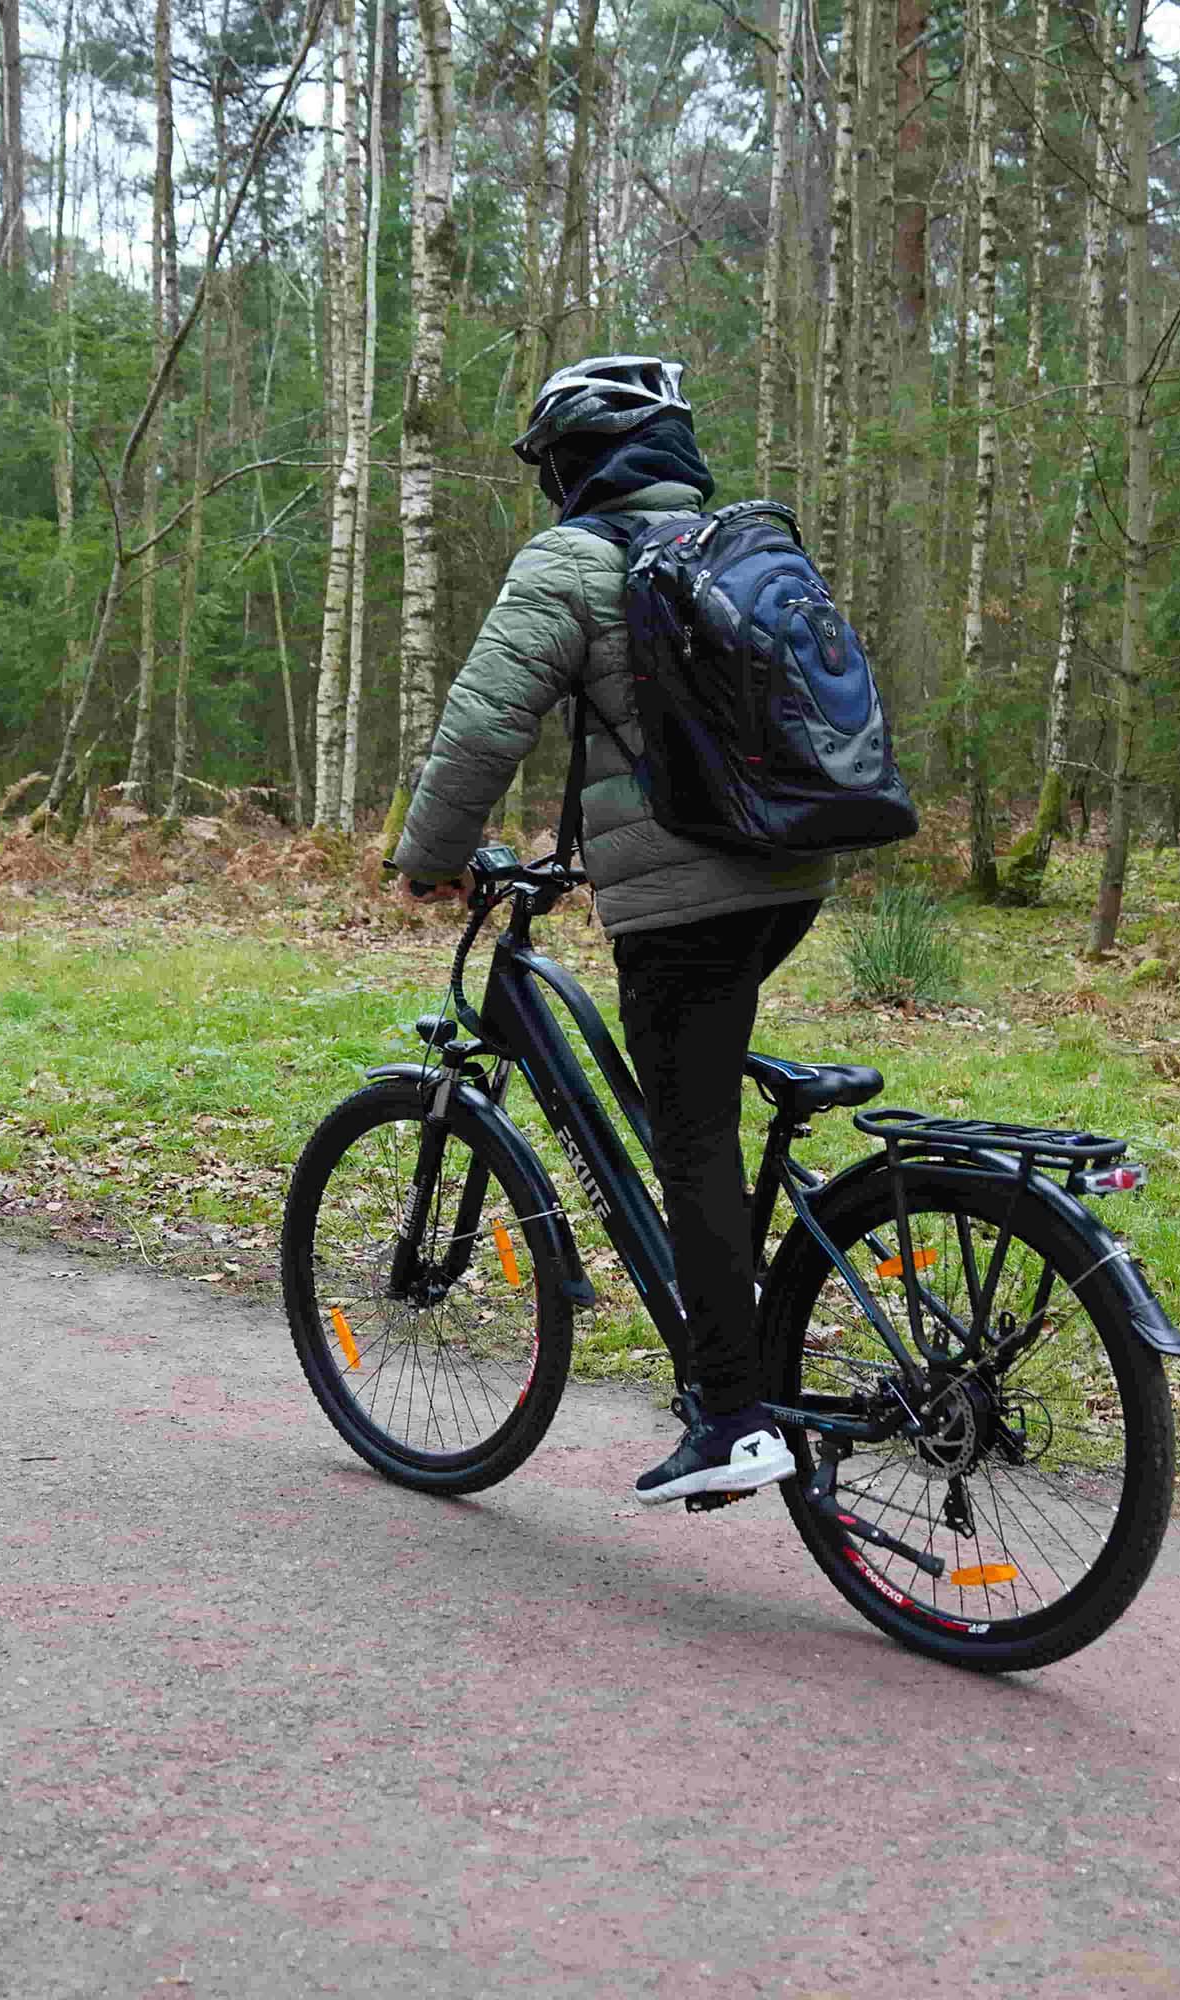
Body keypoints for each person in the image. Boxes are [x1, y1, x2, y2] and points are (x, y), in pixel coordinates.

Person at [389, 355, 832, 1507]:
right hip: (792, 868)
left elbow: (485, 719)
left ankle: (735, 1416)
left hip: (688, 898)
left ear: (573, 466)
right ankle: (750, 1356)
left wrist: (430, 858)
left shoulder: (574, 560)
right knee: (695, 1102)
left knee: (690, 1139)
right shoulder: (741, 543)